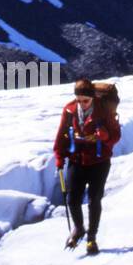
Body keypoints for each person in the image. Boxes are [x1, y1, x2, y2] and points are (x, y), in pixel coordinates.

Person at [53, 79, 120, 254]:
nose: (82, 104)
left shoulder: (104, 110)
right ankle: (79, 228)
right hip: (77, 159)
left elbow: (116, 136)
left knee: (94, 200)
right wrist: (59, 156)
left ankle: (92, 237)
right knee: (72, 199)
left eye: (85, 100)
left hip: (99, 161)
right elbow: (61, 134)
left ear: (92, 98)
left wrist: (104, 137)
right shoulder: (69, 110)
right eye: (79, 100)